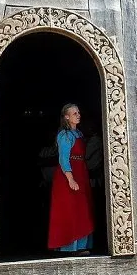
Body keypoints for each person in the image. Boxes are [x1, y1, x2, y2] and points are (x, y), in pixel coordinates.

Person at [48, 103, 95, 256]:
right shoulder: (65, 135)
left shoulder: (79, 134)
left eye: (78, 112)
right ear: (66, 116)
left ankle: (82, 245)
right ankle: (69, 247)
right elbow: (63, 158)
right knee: (70, 210)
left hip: (81, 173)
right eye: (74, 113)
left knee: (83, 209)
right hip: (67, 176)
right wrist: (70, 179)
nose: (78, 115)